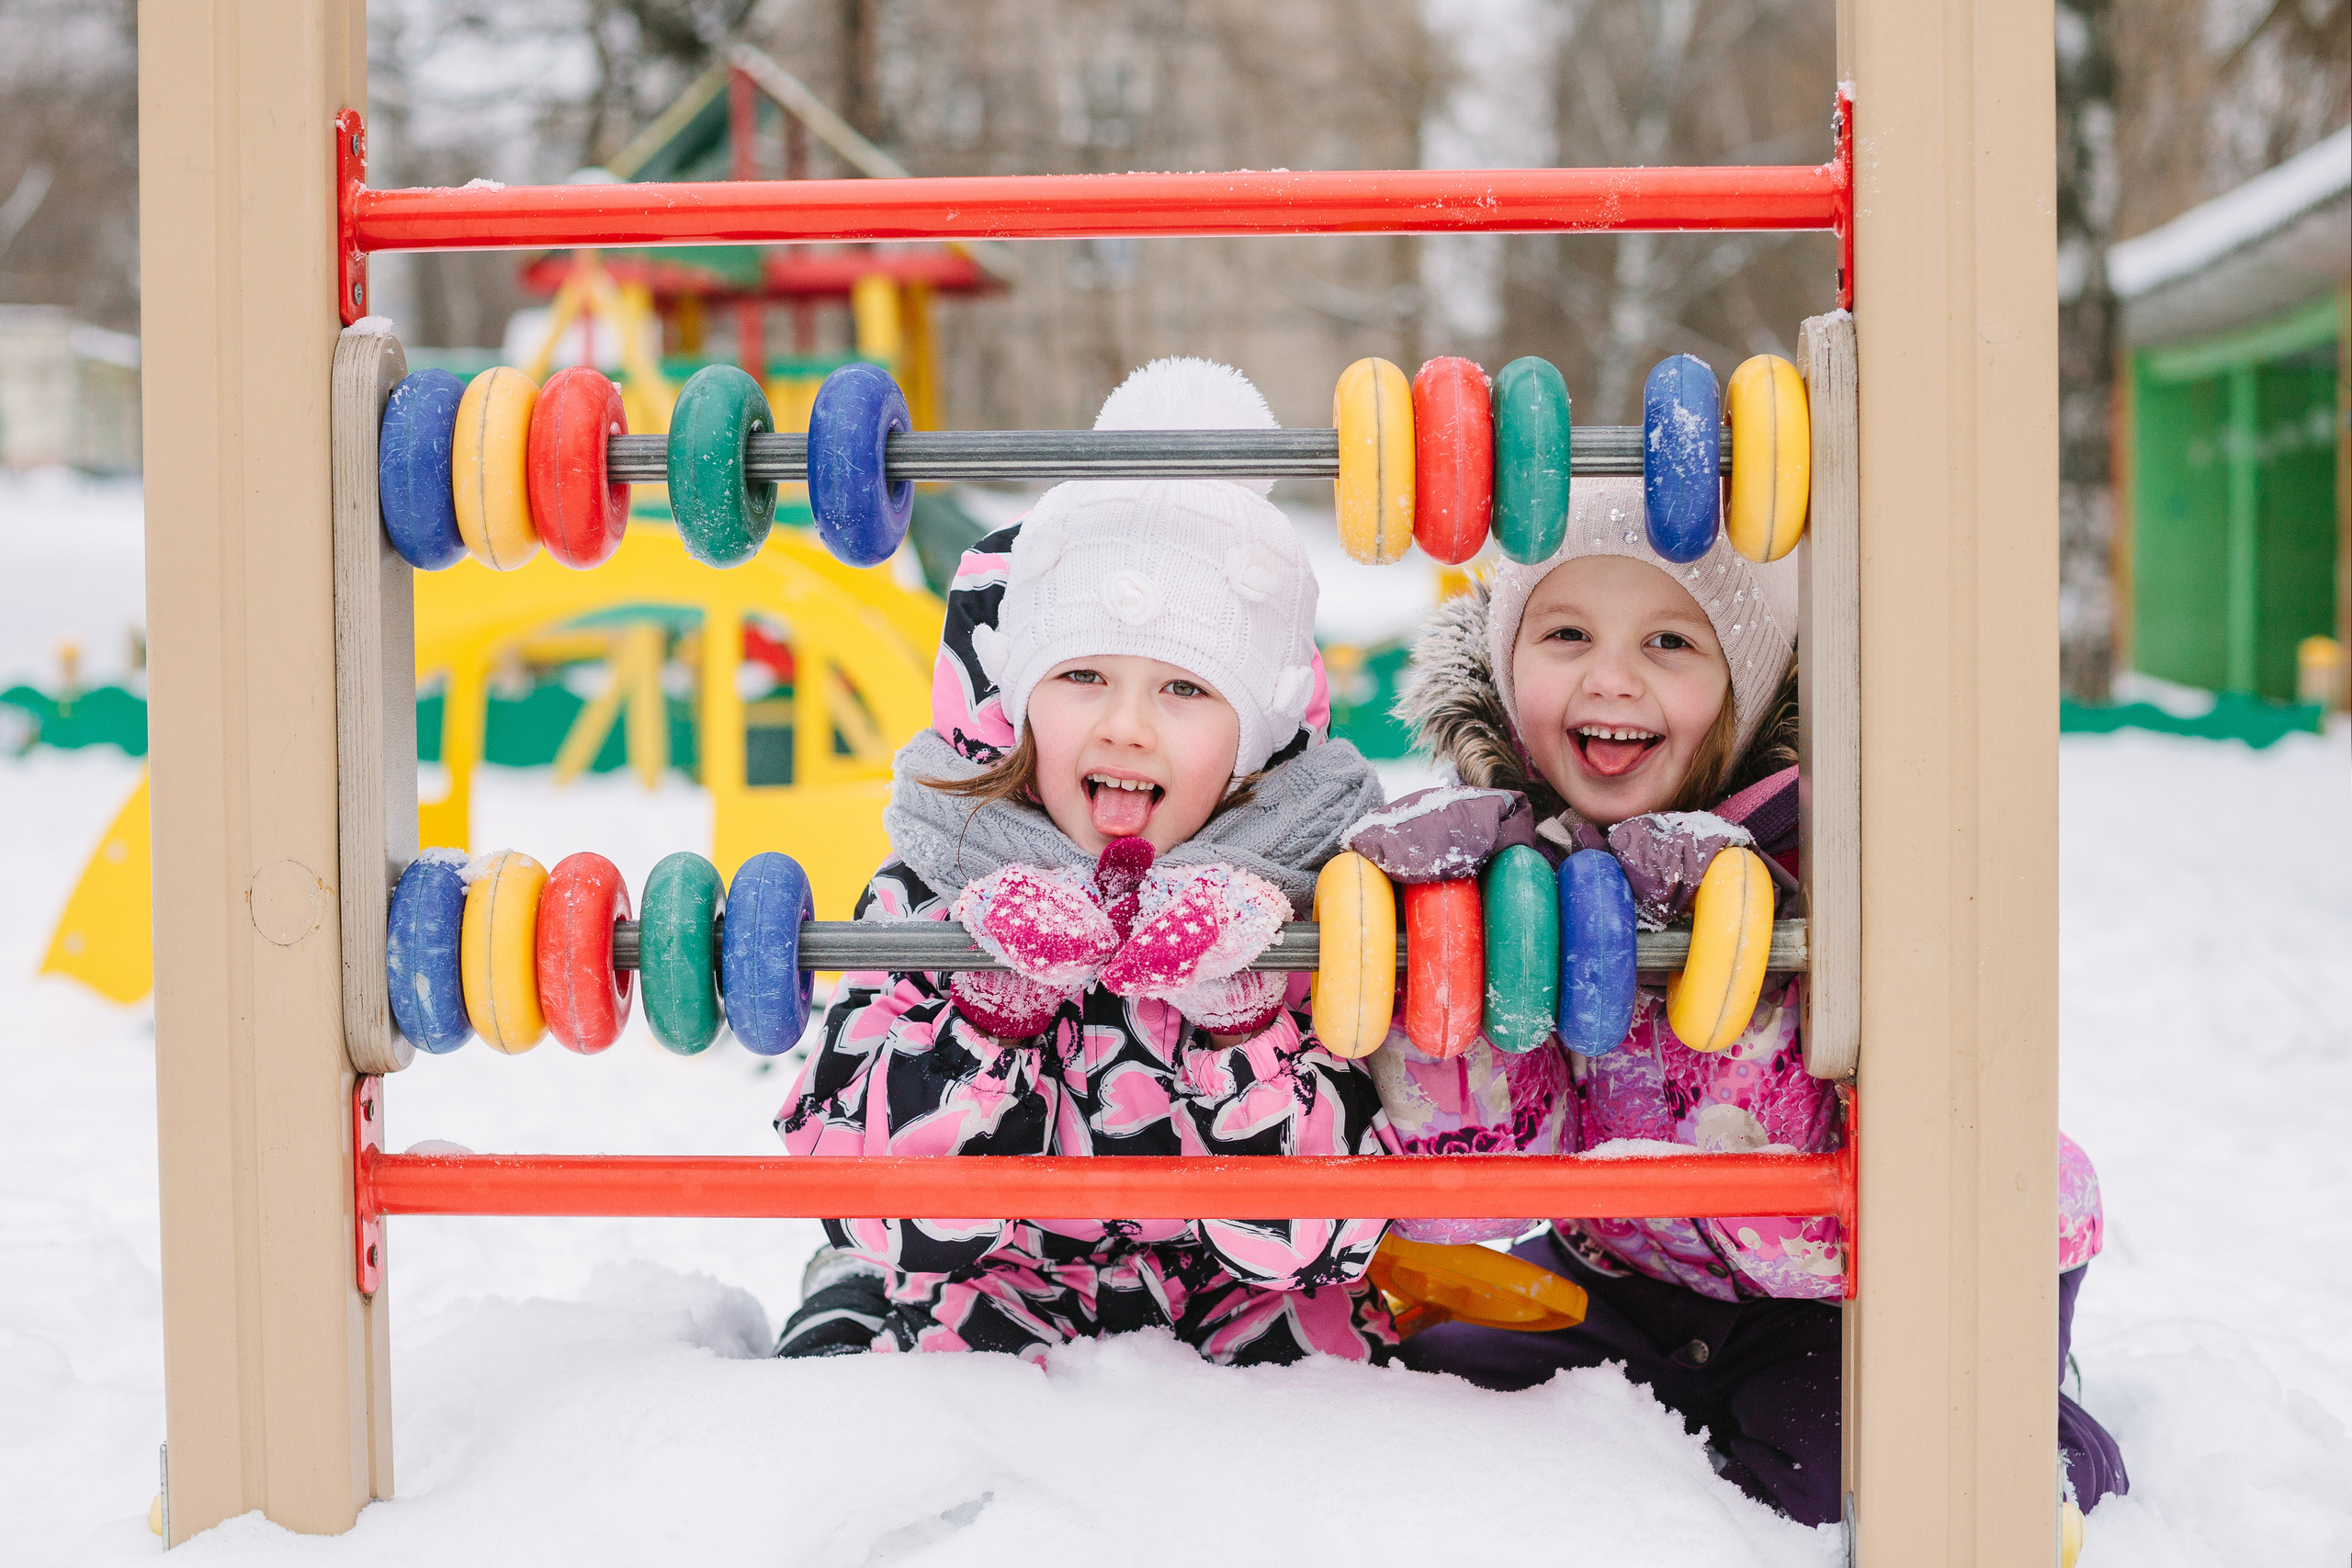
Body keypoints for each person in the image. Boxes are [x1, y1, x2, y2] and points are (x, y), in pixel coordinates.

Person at [1349, 477, 2127, 1526]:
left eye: (1671, 643)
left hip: (1876, 1277)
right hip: (1632, 1270)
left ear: (1750, 688)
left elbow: (1827, 1156)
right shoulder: (1515, 864)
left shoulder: (1849, 852)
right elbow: (1488, 1183)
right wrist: (1439, 979)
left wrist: (1724, 945)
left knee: (1842, 1481)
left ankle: (2034, 1424)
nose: (1610, 678)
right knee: (1424, 1382)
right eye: (1566, 632)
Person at [773, 358, 1396, 1367]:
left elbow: (1324, 1246)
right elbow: (874, 1214)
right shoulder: (934, 887)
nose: (1125, 725)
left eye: (1186, 690)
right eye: (1082, 675)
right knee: (881, 1364)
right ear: (1017, 698)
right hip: (995, 1290)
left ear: (1255, 733)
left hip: (1236, 1306)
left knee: (1342, 1372)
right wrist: (987, 1012)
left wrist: (1240, 1019)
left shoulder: (1313, 909)